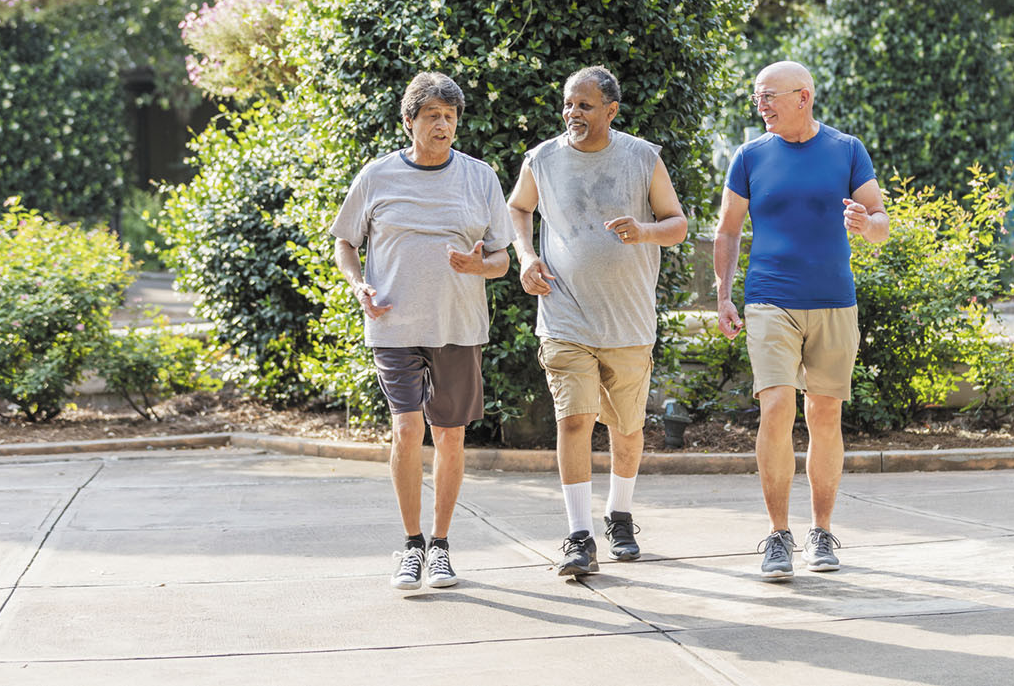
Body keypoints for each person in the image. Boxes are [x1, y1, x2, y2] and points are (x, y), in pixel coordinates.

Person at [330, 72, 514, 591]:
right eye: (432, 115)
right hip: (392, 325)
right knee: (408, 429)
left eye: (450, 117)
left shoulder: (480, 177)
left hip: (458, 327)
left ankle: (441, 546)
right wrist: (357, 283)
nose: (443, 125)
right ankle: (411, 545)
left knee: (450, 436)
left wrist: (481, 266)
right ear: (407, 121)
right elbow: (345, 241)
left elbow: (502, 256)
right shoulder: (377, 175)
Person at [508, 65, 687, 578]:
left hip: (628, 323)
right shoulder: (542, 159)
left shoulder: (641, 157)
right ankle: (578, 535)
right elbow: (518, 208)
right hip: (565, 318)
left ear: (611, 109)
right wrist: (525, 256)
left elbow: (677, 225)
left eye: (585, 105)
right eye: (568, 104)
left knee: (627, 429)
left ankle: (620, 514)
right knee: (574, 420)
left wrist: (645, 231)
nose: (573, 114)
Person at [713, 60, 889, 580]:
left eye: (769, 96)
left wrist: (865, 223)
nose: (760, 105)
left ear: (803, 97)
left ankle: (822, 531)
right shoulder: (749, 157)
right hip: (770, 298)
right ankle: (776, 535)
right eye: (757, 97)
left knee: (825, 415)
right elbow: (727, 231)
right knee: (775, 407)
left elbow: (880, 224)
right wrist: (723, 293)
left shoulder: (847, 150)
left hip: (834, 300)